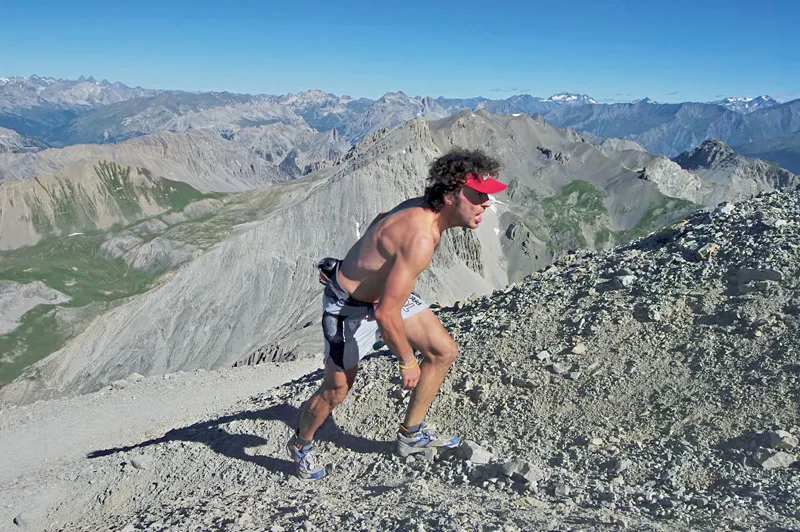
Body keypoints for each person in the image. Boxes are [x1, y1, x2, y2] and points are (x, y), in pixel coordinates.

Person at [288, 148, 506, 479]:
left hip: (383, 294)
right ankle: (301, 445)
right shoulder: (421, 237)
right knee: (336, 391)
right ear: (450, 195)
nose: (486, 204)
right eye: (478, 196)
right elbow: (387, 313)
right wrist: (407, 360)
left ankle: (410, 435)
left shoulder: (422, 207)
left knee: (443, 351)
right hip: (348, 307)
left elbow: (380, 218)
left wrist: (365, 262)